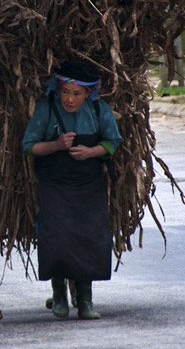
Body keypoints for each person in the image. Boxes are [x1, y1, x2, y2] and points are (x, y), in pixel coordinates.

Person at [22, 59, 122, 320]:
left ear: (88, 93)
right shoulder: (47, 108)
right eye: (66, 91)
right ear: (58, 88)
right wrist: (55, 145)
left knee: (88, 237)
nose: (69, 99)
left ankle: (86, 300)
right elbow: (29, 146)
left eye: (76, 93)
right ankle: (59, 297)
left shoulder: (99, 110)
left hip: (88, 185)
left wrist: (91, 152)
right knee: (56, 237)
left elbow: (112, 142)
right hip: (54, 184)